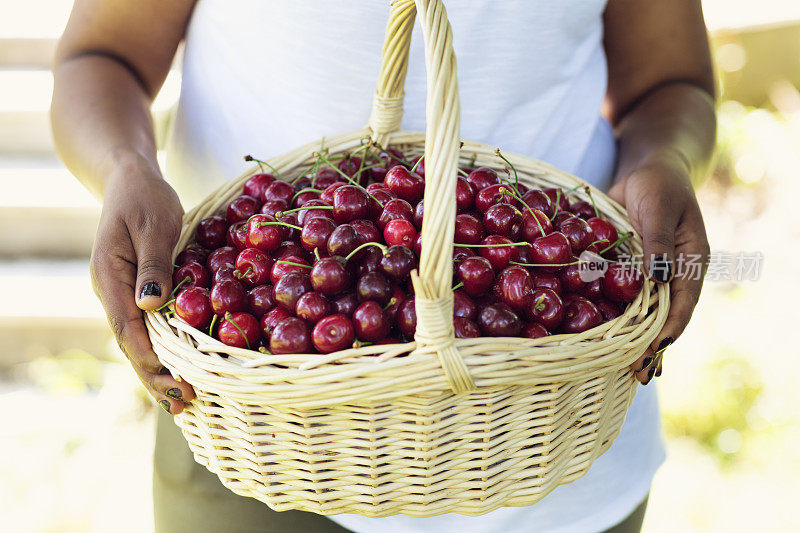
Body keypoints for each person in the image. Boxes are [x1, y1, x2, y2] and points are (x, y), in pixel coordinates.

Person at [50, 1, 714, 531]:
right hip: (252, 428)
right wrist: (125, 167)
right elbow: (101, 54)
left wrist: (665, 161)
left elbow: (671, 83)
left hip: (563, 422)